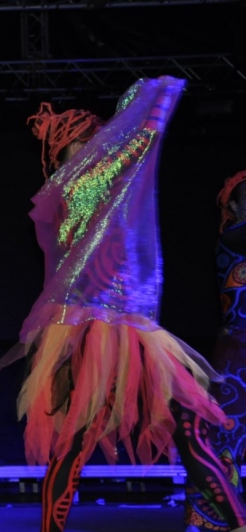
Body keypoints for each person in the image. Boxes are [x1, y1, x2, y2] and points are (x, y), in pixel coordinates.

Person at [0, 76, 246, 532]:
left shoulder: (64, 193)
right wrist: (156, 98)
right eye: (93, 139)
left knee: (82, 444)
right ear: (75, 148)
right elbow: (141, 143)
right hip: (101, 332)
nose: (102, 146)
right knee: (167, 436)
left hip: (107, 329)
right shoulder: (83, 183)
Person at [185, 170, 246, 532]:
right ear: (234, 207)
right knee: (223, 444)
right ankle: (216, 524)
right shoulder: (232, 237)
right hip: (238, 354)